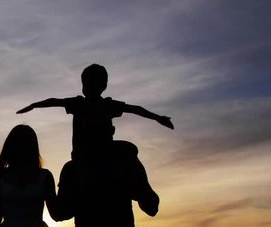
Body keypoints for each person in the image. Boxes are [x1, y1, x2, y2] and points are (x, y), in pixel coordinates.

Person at [16, 63, 173, 161]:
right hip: (82, 154)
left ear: (103, 86)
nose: (89, 87)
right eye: (86, 84)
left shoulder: (107, 104)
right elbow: (54, 101)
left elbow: (135, 109)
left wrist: (157, 117)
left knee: (130, 149)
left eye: (93, 84)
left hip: (104, 151)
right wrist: (34, 105)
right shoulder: (78, 103)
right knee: (129, 149)